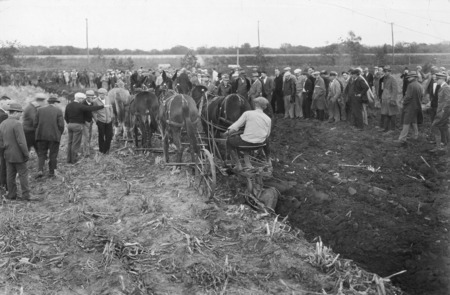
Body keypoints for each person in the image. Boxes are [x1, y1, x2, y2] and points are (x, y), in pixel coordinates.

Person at [223, 97, 271, 170]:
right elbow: (267, 134)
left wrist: (227, 133)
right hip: (259, 145)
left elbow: (235, 126)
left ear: (256, 104)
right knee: (266, 139)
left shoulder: (248, 113)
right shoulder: (268, 118)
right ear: (264, 107)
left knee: (229, 141)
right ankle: (268, 160)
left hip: (246, 143)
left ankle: (238, 165)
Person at [0, 103, 32, 200]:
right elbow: (21, 142)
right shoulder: (17, 124)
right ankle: (26, 195)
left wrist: (5, 149)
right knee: (23, 174)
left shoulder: (2, 123)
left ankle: (11, 194)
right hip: (18, 154)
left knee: (10, 175)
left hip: (7, 154)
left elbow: (0, 141)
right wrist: (26, 154)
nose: (21, 115)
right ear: (14, 112)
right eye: (19, 113)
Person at [65, 93, 104, 164]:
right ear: (79, 98)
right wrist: (102, 106)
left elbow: (65, 116)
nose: (83, 100)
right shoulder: (80, 106)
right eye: (82, 99)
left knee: (70, 142)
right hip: (77, 125)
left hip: (70, 125)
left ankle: (68, 159)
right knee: (76, 143)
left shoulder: (68, 105)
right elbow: (90, 108)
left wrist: (69, 123)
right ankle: (74, 160)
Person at [34, 95, 65, 177]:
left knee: (41, 154)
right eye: (57, 103)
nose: (58, 104)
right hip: (54, 136)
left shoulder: (39, 110)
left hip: (41, 135)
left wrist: (38, 131)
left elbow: (35, 124)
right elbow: (61, 125)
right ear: (54, 103)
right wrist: (59, 134)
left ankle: (40, 170)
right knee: (53, 154)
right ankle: (52, 172)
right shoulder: (58, 111)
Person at [395, 71, 423, 145]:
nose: (408, 78)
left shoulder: (411, 85)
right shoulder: (419, 85)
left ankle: (402, 138)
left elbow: (408, 97)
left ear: (414, 77)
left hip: (410, 107)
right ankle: (416, 135)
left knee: (406, 122)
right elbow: (421, 96)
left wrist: (403, 102)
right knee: (414, 121)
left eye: (409, 77)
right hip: (417, 106)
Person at [430, 72, 450, 152]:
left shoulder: (446, 88)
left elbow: (448, 100)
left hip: (443, 111)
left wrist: (443, 110)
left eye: (437, 79)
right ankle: (444, 143)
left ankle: (438, 146)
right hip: (442, 110)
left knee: (434, 126)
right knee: (444, 127)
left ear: (442, 79)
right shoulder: (442, 87)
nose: (435, 81)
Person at [92, 88, 114, 154]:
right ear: (99, 94)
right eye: (101, 94)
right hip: (101, 121)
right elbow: (93, 111)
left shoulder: (108, 99)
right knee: (101, 136)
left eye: (104, 94)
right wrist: (96, 120)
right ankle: (101, 150)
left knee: (109, 135)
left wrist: (111, 115)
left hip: (109, 121)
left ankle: (107, 149)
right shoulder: (95, 101)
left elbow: (110, 107)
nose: (103, 95)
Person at [380, 65, 399, 134]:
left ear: (389, 72)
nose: (385, 72)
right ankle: (385, 128)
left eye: (386, 71)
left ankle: (392, 129)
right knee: (385, 114)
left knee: (392, 114)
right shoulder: (384, 78)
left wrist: (393, 99)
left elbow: (395, 90)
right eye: (384, 71)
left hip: (390, 99)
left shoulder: (392, 79)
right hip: (385, 99)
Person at [0, 95, 11, 189]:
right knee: (4, 165)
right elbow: (4, 131)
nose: (9, 105)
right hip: (2, 144)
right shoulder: (3, 115)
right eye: (8, 103)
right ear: (1, 103)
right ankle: (4, 184)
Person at [81, 90, 96, 157]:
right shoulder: (82, 104)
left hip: (90, 121)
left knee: (89, 136)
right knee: (86, 137)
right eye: (91, 98)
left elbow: (92, 112)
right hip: (85, 122)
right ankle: (86, 153)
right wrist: (83, 122)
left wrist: (95, 120)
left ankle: (88, 149)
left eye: (93, 98)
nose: (93, 99)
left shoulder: (92, 103)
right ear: (87, 97)